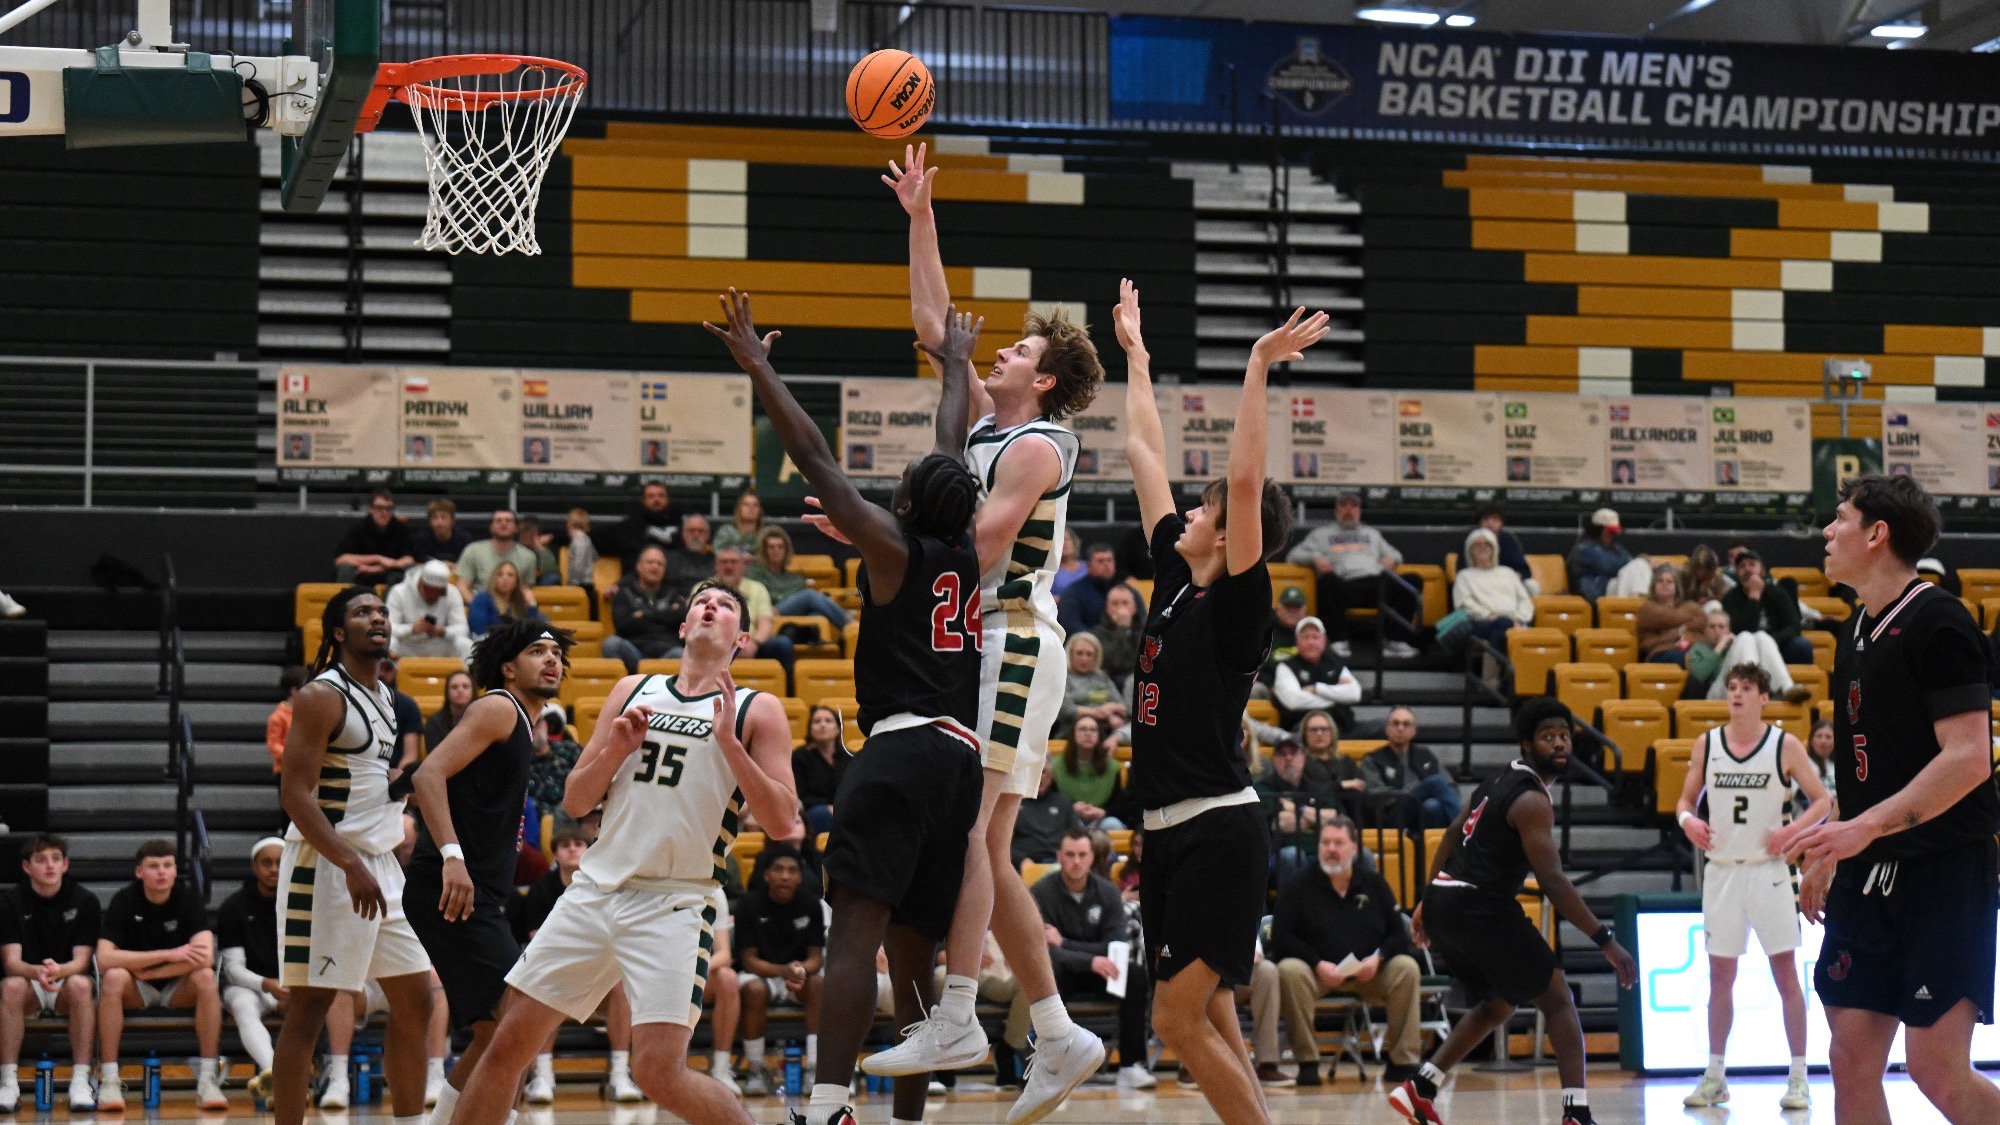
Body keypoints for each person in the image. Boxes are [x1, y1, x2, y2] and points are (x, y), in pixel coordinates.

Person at [860, 147, 1106, 1125]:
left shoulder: (1039, 444)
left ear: (1041, 382)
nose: (995, 352)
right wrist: (918, 214)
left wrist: (883, 536)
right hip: (979, 648)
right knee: (989, 849)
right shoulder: (981, 432)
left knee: (977, 834)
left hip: (1011, 640)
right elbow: (936, 331)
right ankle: (1055, 1033)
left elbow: (983, 540)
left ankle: (962, 1011)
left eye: (1013, 353)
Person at [706, 286, 986, 1125]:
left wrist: (760, 367)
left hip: (899, 750)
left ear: (903, 504)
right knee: (913, 953)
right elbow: (951, 449)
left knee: (859, 928)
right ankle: (907, 1117)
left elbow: (816, 456)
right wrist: (958, 367)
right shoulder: (962, 547)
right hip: (961, 761)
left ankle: (827, 1108)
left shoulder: (896, 546)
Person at [439, 579, 800, 1125]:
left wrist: (729, 743)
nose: (710, 606)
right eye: (701, 599)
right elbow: (577, 798)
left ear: (741, 638)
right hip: (595, 890)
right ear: (682, 627)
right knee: (507, 1045)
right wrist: (615, 749)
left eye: (725, 605)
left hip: (675, 903)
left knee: (657, 1072)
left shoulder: (757, 709)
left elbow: (780, 820)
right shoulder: (634, 689)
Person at [1119, 277, 1322, 1125]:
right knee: (1207, 1010)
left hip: (1217, 827)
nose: (1193, 508)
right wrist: (1135, 354)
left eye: (1205, 508)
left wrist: (1256, 368)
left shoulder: (1240, 601)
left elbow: (1244, 483)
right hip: (1166, 833)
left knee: (1173, 1016)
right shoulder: (1175, 575)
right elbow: (1143, 454)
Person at [1773, 474, 2000, 1125]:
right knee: (1849, 1059)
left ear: (1877, 533)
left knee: (1936, 1069)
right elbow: (1867, 770)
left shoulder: (1941, 623)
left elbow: (1968, 758)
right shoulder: (1853, 634)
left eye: (1839, 517)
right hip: (1867, 871)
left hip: (1942, 870)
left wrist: (1860, 829)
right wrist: (1833, 843)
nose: (1826, 530)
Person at [1395, 698, 1637, 1125]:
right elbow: (1554, 882)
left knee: (1499, 1001)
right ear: (1528, 744)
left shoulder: (1499, 779)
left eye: (1564, 736)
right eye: (1548, 737)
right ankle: (1576, 1114)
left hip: (1448, 901)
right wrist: (1606, 941)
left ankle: (1422, 1086)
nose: (1559, 744)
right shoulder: (1531, 801)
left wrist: (1427, 897)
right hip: (1477, 906)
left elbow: (1453, 832)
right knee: (1559, 1000)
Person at [270, 588, 435, 1125]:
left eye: (383, 611)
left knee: (418, 1000)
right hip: (328, 866)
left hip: (381, 864)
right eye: (363, 612)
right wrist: (348, 862)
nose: (378, 619)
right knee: (309, 1011)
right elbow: (296, 795)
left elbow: (365, 782)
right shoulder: (321, 695)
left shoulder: (387, 696)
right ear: (338, 632)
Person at [407, 617, 572, 1124]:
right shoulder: (500, 707)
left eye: (556, 653)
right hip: (451, 887)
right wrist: (453, 857)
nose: (551, 660)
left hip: (474, 892)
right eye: (537, 651)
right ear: (507, 666)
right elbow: (426, 774)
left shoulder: (524, 722)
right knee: (514, 1026)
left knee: (495, 1033)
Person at [1674, 662, 1832, 1111]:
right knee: (1720, 979)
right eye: (1732, 688)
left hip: (1769, 871)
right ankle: (1715, 1076)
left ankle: (1799, 1076)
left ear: (1765, 697)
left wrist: (1792, 834)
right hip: (1722, 871)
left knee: (1786, 975)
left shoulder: (1785, 745)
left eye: (1746, 688)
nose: (1737, 694)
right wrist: (1689, 821)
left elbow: (1822, 800)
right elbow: (1685, 800)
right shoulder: (1708, 744)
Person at [1272, 816, 1424, 1086]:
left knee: (1406, 968)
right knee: (1288, 971)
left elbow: (1398, 935)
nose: (1331, 849)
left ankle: (1403, 1062)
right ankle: (1307, 1062)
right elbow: (1282, 937)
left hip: (1369, 973)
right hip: (1318, 974)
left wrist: (1378, 959)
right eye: (1325, 842)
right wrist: (1317, 963)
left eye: (1338, 843)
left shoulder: (1374, 883)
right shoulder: (1297, 884)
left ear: (1354, 848)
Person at [509, 827, 644, 1103]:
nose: (572, 849)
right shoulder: (541, 888)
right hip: (557, 966)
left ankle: (620, 1073)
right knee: (550, 985)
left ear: (589, 850)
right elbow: (537, 937)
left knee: (619, 985)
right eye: (565, 845)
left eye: (579, 844)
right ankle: (543, 1077)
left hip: (597, 967)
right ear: (556, 853)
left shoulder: (604, 886)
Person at [95, 840, 228, 1111]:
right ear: (139, 872)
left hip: (177, 987)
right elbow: (105, 959)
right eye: (153, 866)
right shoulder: (124, 899)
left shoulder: (188, 898)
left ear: (175, 870)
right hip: (136, 988)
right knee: (113, 977)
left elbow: (205, 957)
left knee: (205, 976)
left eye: (168, 865)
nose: (161, 872)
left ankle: (207, 1079)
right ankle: (109, 1080)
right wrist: (169, 954)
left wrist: (152, 968)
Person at [1026, 831, 1150, 1087]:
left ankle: (1130, 1065)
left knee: (1135, 975)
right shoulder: (1041, 893)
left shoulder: (1108, 892)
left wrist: (1066, 943)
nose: (1076, 861)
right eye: (1070, 855)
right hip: (1063, 972)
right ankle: (1051, 1065)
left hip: (1100, 972)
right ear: (1059, 857)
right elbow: (1046, 950)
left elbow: (1115, 945)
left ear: (1092, 858)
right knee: (1047, 972)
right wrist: (1089, 960)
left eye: (1082, 855)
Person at [0, 834, 99, 1111]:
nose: (49, 866)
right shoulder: (11, 901)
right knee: (10, 986)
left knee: (82, 985)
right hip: (30, 983)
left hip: (66, 982)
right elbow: (11, 961)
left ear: (65, 864)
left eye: (56, 859)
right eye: (41, 860)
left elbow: (82, 960)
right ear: (26, 867)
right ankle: (8, 1083)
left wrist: (59, 970)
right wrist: (37, 971)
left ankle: (80, 1082)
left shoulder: (84, 899)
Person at [734, 844, 825, 1094]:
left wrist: (800, 971)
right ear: (766, 874)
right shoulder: (749, 904)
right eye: (778, 869)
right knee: (753, 990)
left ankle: (815, 1068)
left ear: (799, 876)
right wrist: (783, 970)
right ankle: (755, 1069)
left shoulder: (811, 904)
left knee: (818, 983)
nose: (785, 876)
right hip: (762, 974)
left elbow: (816, 958)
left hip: (797, 977)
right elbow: (749, 960)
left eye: (792, 870)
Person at [1285, 492, 1419, 659]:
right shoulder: (1321, 534)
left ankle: (1395, 641)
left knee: (1412, 580)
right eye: (1343, 505)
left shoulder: (1372, 534)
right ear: (1336, 511)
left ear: (1359, 511)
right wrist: (1315, 557)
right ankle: (1338, 641)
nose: (1349, 510)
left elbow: (1396, 554)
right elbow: (1293, 555)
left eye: (1353, 506)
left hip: (1375, 583)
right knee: (1327, 582)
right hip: (1344, 584)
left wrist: (1391, 559)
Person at [216, 837, 286, 1101]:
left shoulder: (302, 904)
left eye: (280, 862)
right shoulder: (234, 907)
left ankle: (291, 1080)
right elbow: (233, 969)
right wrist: (267, 984)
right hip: (248, 986)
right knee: (244, 1005)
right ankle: (274, 1073)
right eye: (267, 863)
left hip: (289, 985)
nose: (274, 869)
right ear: (254, 867)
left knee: (308, 1009)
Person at [1256, 735, 1338, 888]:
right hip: (1279, 856)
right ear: (1274, 760)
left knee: (1361, 854)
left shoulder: (1319, 787)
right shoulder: (1264, 789)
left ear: (1303, 757)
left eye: (1293, 753)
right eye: (1282, 754)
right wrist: (1316, 818)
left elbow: (1333, 820)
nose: (1288, 758)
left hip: (1320, 852)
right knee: (1293, 855)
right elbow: (1281, 823)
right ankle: (1292, 911)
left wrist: (1297, 809)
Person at [1363, 708, 1462, 831]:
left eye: (1406, 724)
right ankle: (1466, 831)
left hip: (1425, 813)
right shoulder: (1373, 759)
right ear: (1387, 728)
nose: (1400, 728)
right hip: (1394, 815)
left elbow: (1451, 787)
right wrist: (1416, 790)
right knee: (1434, 782)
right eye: (1395, 723)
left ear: (1413, 731)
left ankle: (1428, 848)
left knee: (1433, 806)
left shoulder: (1425, 754)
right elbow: (1377, 794)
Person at [1691, 608, 1807, 703]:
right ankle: (1753, 688)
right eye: (1712, 627)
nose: (1717, 631)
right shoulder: (1699, 648)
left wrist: (1735, 646)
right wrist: (1719, 648)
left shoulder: (1736, 647)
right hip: (1718, 694)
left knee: (1762, 636)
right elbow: (1699, 675)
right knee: (1745, 636)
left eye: (1721, 627)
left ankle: (1787, 688)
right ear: (1705, 631)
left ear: (1728, 630)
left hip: (1741, 690)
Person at [711, 545, 794, 675]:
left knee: (782, 644)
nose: (729, 566)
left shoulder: (757, 588)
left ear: (742, 565)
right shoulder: (703, 589)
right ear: (716, 565)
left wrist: (754, 643)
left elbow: (765, 623)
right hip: (713, 647)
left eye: (733, 562)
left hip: (751, 645)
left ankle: (787, 693)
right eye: (724, 562)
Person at [750, 525, 851, 631]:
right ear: (764, 550)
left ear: (786, 551)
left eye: (780, 547)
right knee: (809, 595)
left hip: (793, 618)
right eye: (771, 547)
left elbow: (800, 606)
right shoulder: (756, 575)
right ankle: (849, 624)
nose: (776, 550)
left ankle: (815, 641)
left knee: (815, 614)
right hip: (768, 614)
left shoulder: (795, 579)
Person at [605, 544, 689, 672]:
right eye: (650, 562)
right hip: (634, 651)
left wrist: (644, 615)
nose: (655, 566)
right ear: (639, 566)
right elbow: (622, 624)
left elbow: (681, 618)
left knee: (681, 654)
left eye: (660, 564)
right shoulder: (625, 593)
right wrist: (665, 616)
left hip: (666, 652)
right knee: (611, 644)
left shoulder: (673, 594)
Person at [1269, 616, 1361, 731]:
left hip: (1344, 727)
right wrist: (1338, 696)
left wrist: (1316, 689)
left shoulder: (1335, 662)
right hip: (1302, 731)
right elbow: (1294, 701)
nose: (1311, 642)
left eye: (1315, 637)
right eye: (1305, 637)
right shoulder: (1285, 667)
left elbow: (1355, 694)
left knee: (1381, 728)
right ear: (1297, 641)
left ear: (1324, 640)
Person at [1722, 549, 1812, 665]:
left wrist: (1770, 641)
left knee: (1802, 646)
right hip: (1745, 648)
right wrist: (1754, 597)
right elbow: (1739, 631)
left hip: (1777, 645)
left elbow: (1794, 626)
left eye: (1752, 564)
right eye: (1742, 567)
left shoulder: (1777, 593)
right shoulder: (1730, 598)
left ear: (1762, 571)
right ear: (1737, 573)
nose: (1747, 569)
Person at [1451, 529, 1535, 652]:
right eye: (1477, 545)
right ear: (1470, 550)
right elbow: (1463, 604)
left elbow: (1524, 600)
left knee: (1504, 627)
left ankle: (1495, 669)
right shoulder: (1464, 576)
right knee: (1503, 624)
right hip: (1480, 622)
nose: (1482, 548)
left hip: (1513, 621)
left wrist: (1518, 618)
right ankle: (1499, 669)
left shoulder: (1508, 573)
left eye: (1487, 544)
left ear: (1494, 549)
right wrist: (1487, 615)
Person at [1051, 716, 1127, 833]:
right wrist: (1071, 808)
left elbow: (1119, 804)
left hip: (1101, 819)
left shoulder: (1112, 767)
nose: (1088, 733)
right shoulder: (1056, 765)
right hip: (1069, 816)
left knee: (1113, 824)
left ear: (1099, 735)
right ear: (1073, 734)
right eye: (1082, 729)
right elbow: (1052, 799)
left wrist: (1103, 812)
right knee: (1070, 823)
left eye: (1093, 730)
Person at [388, 559, 474, 660]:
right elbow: (388, 628)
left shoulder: (452, 592)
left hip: (439, 644)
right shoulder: (399, 592)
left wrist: (443, 631)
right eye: (430, 591)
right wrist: (411, 629)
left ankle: (463, 676)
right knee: (390, 643)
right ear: (421, 583)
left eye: (439, 593)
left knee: (465, 644)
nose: (434, 596)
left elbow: (463, 629)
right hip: (409, 645)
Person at [791, 705, 852, 837]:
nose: (822, 725)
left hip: (845, 809)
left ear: (838, 729)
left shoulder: (850, 758)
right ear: (810, 729)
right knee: (820, 814)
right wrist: (829, 807)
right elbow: (801, 796)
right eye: (817, 721)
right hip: (813, 811)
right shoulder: (799, 757)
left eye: (828, 721)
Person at [1055, 632, 1127, 742]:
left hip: (1106, 731)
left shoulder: (1102, 676)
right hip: (1072, 732)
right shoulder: (1063, 676)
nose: (1084, 658)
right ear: (1070, 654)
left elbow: (1122, 707)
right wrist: (1102, 714)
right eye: (1079, 653)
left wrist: (1110, 707)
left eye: (1089, 654)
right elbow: (1067, 709)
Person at [1012, 763, 1087, 868]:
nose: (1039, 776)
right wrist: (1021, 860)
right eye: (1034, 770)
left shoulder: (1063, 803)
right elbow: (1001, 843)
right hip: (1022, 864)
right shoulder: (1013, 803)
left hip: (1059, 863)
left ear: (1052, 774)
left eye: (1043, 771)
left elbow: (1077, 836)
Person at [334, 490, 417, 583]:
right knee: (346, 571)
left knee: (409, 570)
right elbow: (341, 559)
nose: (384, 512)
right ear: (371, 509)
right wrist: (378, 559)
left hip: (390, 573)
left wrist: (379, 568)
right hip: (362, 572)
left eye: (388, 508)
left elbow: (409, 559)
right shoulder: (358, 528)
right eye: (379, 508)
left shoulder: (401, 529)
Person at [456, 510, 540, 602]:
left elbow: (525, 590)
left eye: (508, 521)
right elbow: (462, 586)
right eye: (498, 521)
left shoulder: (528, 556)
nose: (503, 524)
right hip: (481, 606)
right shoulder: (473, 550)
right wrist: (478, 607)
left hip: (513, 610)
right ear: (491, 527)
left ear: (516, 528)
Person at [1297, 709, 1366, 816]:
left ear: (1332, 732)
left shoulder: (1345, 761)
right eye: (1313, 730)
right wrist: (1341, 786)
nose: (1319, 734)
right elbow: (1310, 789)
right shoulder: (1300, 762)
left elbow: (1358, 785)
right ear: (1305, 734)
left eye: (1324, 729)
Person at [1637, 563, 1704, 665]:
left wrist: (1682, 638)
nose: (1664, 584)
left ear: (1676, 587)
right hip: (1659, 654)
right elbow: (1646, 645)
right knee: (1687, 659)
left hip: (1688, 649)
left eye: (1669, 581)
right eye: (1660, 581)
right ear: (1653, 586)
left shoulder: (1688, 607)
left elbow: (1701, 630)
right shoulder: (1647, 609)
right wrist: (1676, 634)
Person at [527, 706, 582, 829]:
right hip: (539, 827)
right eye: (529, 725)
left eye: (538, 722)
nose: (533, 729)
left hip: (578, 819)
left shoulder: (570, 750)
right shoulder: (519, 764)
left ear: (546, 725)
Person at [606, 482, 684, 567]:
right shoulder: (628, 527)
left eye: (661, 496)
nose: (656, 500)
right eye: (651, 496)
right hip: (637, 577)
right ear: (643, 501)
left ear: (668, 500)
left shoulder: (683, 526)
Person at [1055, 543, 1122, 635]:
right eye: (1100, 561)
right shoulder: (1074, 592)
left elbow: (1141, 620)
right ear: (1088, 566)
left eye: (1109, 560)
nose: (1106, 564)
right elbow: (1070, 624)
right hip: (1088, 644)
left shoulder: (1126, 591)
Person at [1565, 508, 1630, 603]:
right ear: (1597, 530)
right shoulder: (1584, 547)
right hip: (1594, 591)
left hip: (1611, 587)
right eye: (1609, 531)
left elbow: (1628, 562)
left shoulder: (1616, 547)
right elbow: (1610, 565)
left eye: (1614, 532)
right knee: (1638, 565)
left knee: (1640, 566)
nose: (1612, 535)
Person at [1465, 504, 1533, 588]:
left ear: (1501, 522)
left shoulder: (1509, 540)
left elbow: (1524, 571)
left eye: (1494, 519)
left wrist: (1514, 577)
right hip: (1478, 581)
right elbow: (1462, 569)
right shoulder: (1471, 540)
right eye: (1486, 519)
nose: (1490, 522)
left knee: (1531, 585)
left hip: (1506, 582)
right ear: (1479, 522)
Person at [468, 560, 541, 638]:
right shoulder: (482, 599)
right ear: (494, 579)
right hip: (488, 642)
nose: (505, 578)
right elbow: (478, 630)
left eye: (510, 575)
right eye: (500, 574)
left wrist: (532, 604)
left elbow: (533, 631)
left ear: (517, 582)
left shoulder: (520, 603)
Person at [1092, 584, 1145, 689]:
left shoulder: (1146, 628)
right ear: (1107, 608)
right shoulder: (1099, 632)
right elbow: (1111, 662)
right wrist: (1122, 629)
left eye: (1125, 603)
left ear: (1134, 607)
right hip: (1111, 682)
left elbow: (1141, 659)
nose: (1120, 608)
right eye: (1115, 604)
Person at [267, 665, 309, 774]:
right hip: (285, 771)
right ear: (294, 690)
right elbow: (273, 744)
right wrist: (293, 756)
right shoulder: (278, 717)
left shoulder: (309, 713)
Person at [424, 670, 475, 754]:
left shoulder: (483, 719)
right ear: (447, 692)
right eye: (454, 687)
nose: (460, 690)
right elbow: (435, 756)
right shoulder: (434, 722)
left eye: (465, 686)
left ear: (473, 691)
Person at [413, 498, 473, 565]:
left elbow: (468, 564)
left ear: (452, 520)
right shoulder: (422, 538)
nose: (439, 522)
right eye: (435, 517)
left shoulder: (464, 539)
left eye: (443, 517)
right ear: (429, 520)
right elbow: (420, 561)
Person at [668, 514, 719, 592]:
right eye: (691, 531)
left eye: (700, 531)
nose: (696, 535)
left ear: (708, 535)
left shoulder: (717, 562)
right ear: (684, 534)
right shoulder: (670, 560)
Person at [563, 508, 599, 589]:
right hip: (588, 582)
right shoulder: (587, 539)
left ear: (570, 524)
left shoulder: (577, 541)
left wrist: (573, 583)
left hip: (580, 584)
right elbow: (595, 555)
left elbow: (578, 564)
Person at [1050, 529, 1087, 598]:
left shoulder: (1088, 567)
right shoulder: (1050, 570)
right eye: (1059, 540)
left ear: (1074, 542)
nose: (1063, 543)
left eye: (1066, 539)